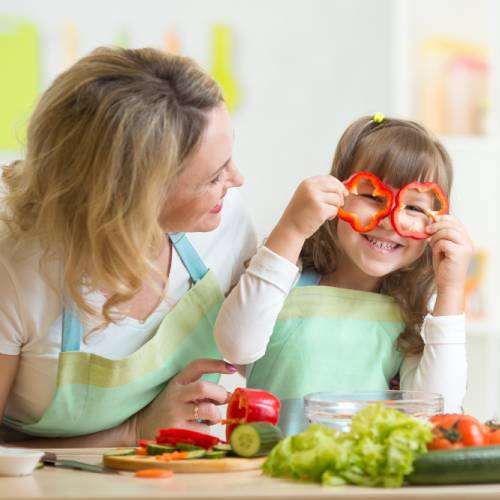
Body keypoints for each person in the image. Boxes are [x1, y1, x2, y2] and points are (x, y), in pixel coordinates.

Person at [0, 46, 256, 446]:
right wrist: (134, 432)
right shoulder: (16, 265)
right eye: (212, 177)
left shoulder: (226, 221)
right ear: (135, 198)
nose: (236, 180)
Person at [215, 114, 472, 435]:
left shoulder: (413, 312)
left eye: (415, 208)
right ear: (338, 193)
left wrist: (451, 289)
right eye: (373, 196)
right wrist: (292, 229)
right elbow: (236, 347)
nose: (390, 220)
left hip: (366, 482)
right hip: (270, 478)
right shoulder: (287, 277)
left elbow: (440, 413)